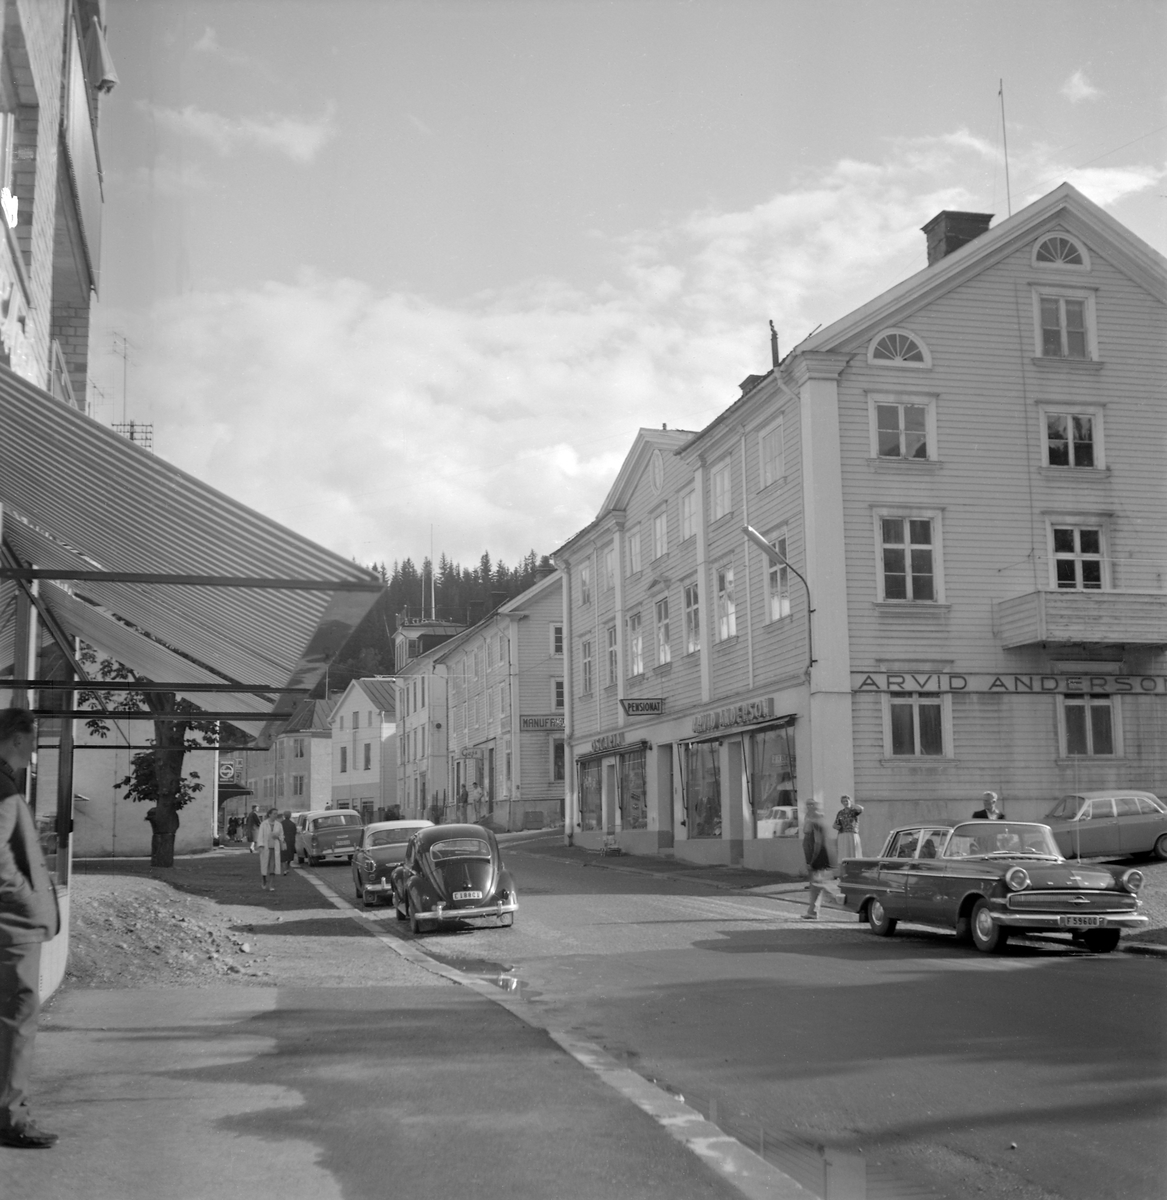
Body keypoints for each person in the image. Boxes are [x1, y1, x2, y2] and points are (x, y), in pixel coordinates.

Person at [0, 708, 61, 1149]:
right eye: (32, 739)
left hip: (12, 923)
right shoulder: (2, 788)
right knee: (18, 1021)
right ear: (16, 739)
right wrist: (25, 897)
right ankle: (11, 1118)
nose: (35, 749)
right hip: (12, 926)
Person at [801, 798, 834, 920]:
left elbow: (818, 842)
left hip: (817, 854)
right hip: (811, 849)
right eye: (807, 804)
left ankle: (815, 910)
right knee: (816, 883)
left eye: (812, 804)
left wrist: (812, 860)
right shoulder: (808, 817)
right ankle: (812, 911)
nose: (809, 806)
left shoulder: (817, 820)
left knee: (818, 884)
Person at [256, 808, 285, 890]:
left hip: (274, 849)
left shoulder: (279, 825)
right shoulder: (263, 824)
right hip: (265, 848)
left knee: (273, 867)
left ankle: (271, 885)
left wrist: (278, 837)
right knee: (264, 865)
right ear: (270, 814)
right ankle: (264, 879)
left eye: (276, 813)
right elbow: (260, 836)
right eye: (274, 813)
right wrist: (260, 845)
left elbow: (282, 836)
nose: (276, 815)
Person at [832, 794, 864, 859]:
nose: (845, 803)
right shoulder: (840, 813)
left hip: (852, 833)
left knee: (853, 851)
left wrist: (852, 805)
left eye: (847, 801)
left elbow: (861, 809)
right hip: (843, 834)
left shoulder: (854, 811)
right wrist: (835, 826)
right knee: (844, 852)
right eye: (843, 801)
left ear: (850, 801)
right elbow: (836, 823)